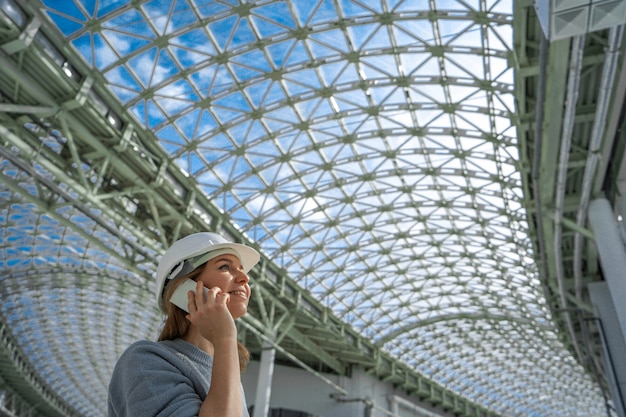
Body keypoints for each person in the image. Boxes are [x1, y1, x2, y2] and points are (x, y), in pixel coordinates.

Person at [108, 232, 260, 417]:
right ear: (185, 288)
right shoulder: (145, 361)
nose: (245, 278)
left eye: (242, 269)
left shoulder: (226, 373)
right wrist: (225, 338)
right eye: (225, 267)